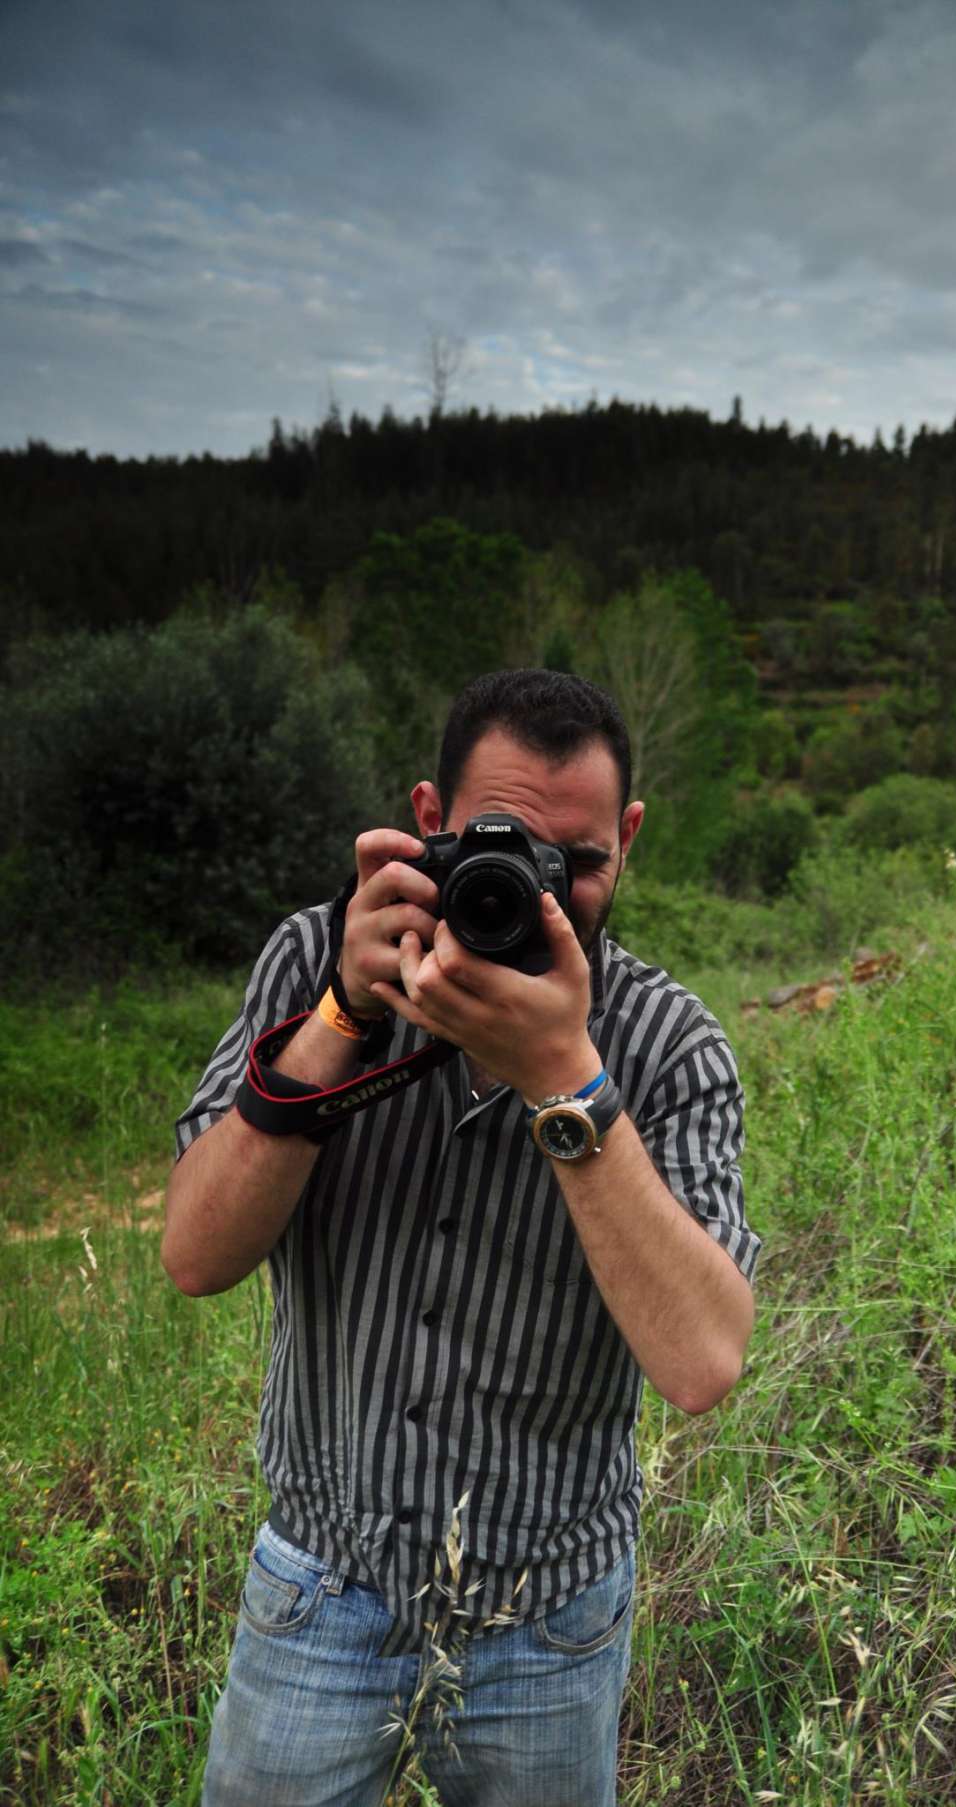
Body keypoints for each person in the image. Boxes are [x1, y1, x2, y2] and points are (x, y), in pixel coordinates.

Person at [164, 668, 760, 1807]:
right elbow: (195, 1255)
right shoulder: (315, 962)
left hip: (551, 1617)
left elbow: (701, 1363)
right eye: (503, 849)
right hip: (322, 1586)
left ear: (627, 840)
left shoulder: (669, 1045)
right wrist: (344, 1013)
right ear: (430, 823)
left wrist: (566, 1082)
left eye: (576, 864)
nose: (535, 895)